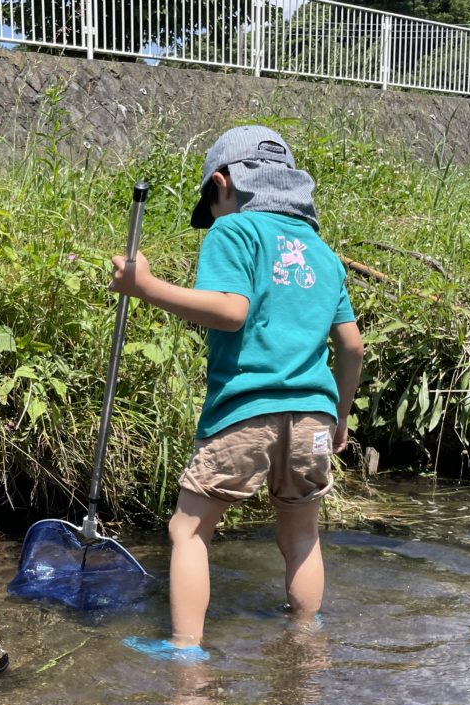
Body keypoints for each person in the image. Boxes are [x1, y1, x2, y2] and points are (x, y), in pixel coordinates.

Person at [109, 125, 364, 661]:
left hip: (247, 410)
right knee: (301, 534)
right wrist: (339, 417)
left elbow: (232, 311)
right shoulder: (323, 253)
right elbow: (353, 348)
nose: (214, 215)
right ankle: (304, 645)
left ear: (223, 183)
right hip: (315, 418)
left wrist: (146, 288)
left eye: (212, 202)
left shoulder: (234, 233)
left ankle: (185, 652)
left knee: (190, 529)